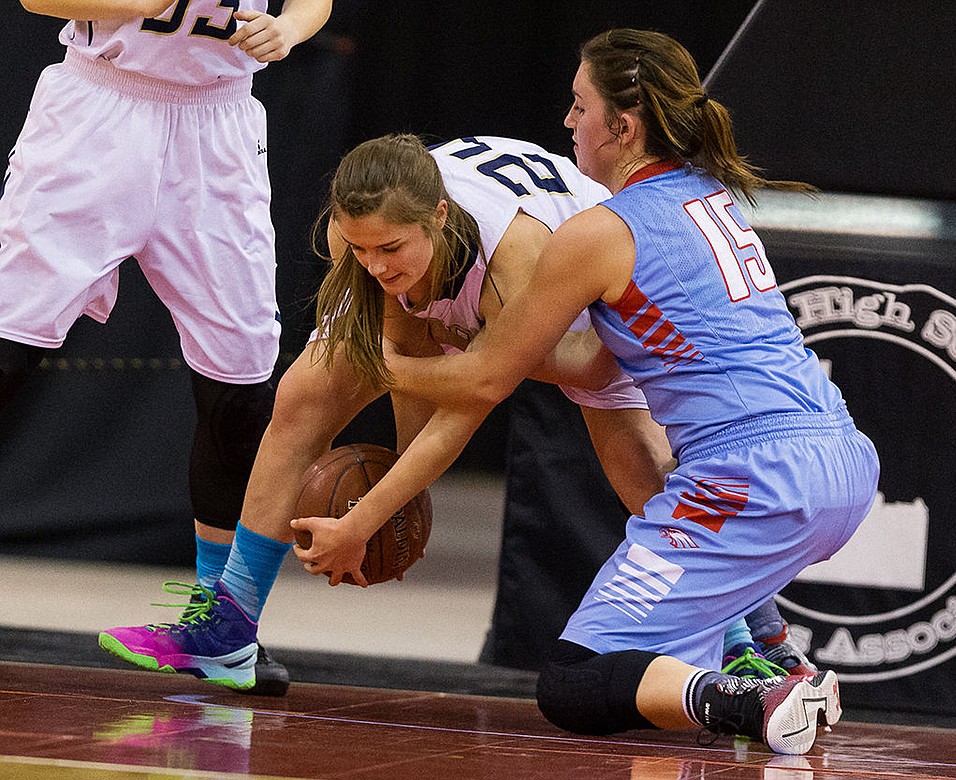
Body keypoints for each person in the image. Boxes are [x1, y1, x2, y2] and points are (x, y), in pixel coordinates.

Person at [293, 29, 881, 754]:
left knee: (575, 680)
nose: (568, 122)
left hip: (751, 478)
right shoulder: (708, 195)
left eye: (579, 106)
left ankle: (755, 696)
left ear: (622, 126)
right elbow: (599, 366)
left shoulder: (598, 231)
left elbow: (485, 379)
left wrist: (387, 366)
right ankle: (776, 660)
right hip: (842, 458)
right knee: (657, 636)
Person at [97, 132, 675, 689]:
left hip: (576, 294)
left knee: (630, 459)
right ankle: (229, 624)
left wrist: (362, 521)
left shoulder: (513, 260)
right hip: (454, 274)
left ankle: (746, 637)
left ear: (439, 218)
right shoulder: (358, 238)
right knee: (299, 403)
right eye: (362, 248)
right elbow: (402, 346)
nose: (374, 264)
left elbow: (469, 400)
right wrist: (396, 487)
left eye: (390, 249)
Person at [1, 0, 333, 695]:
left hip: (221, 128)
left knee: (241, 391)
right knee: (7, 350)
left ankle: (224, 629)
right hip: (98, 111)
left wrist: (292, 29)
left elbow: (313, 1)